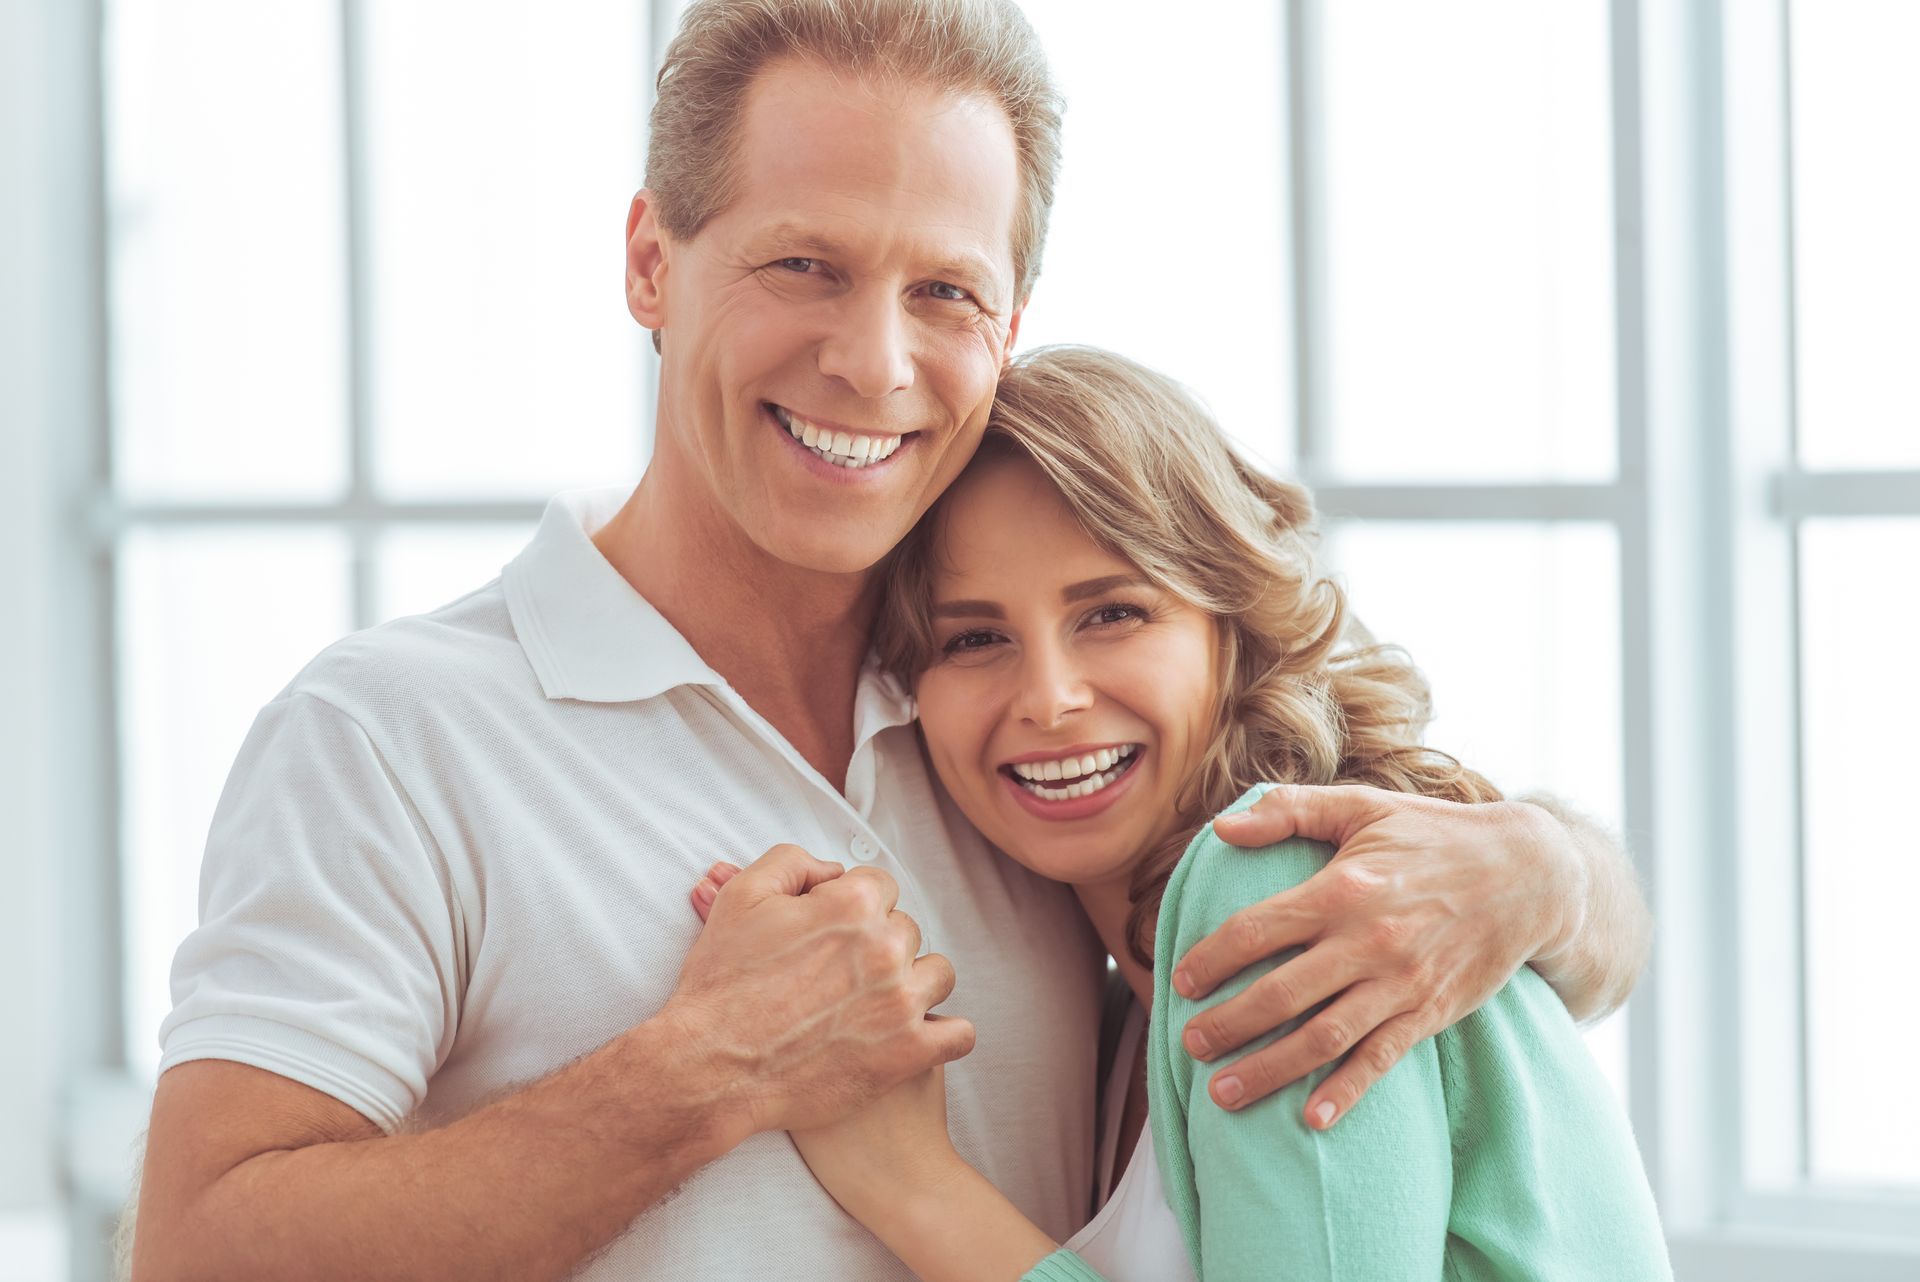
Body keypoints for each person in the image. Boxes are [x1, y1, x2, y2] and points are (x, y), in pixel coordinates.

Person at [127, 3, 1650, 1280]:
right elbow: (193, 1249)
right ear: (654, 260)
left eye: (944, 290)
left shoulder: (1016, 734)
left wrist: (1544, 866)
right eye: (805, 265)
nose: (872, 361)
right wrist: (700, 1071)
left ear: (1012, 317)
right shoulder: (391, 734)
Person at [690, 345, 1671, 1281]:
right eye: (975, 637)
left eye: (1111, 613)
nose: (1048, 698)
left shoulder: (1275, 881)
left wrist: (911, 1185)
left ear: (1229, 628)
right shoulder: (1121, 1001)